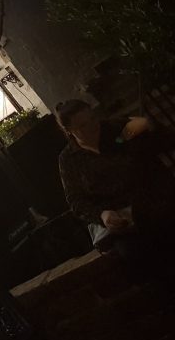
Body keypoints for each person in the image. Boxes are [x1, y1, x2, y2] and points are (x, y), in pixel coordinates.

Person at [55, 99, 175, 280]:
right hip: (122, 220)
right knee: (133, 253)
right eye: (82, 126)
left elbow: (164, 141)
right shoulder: (69, 159)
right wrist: (102, 215)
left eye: (92, 120)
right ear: (69, 131)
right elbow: (75, 199)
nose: (92, 127)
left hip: (153, 202)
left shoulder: (117, 128)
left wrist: (150, 126)